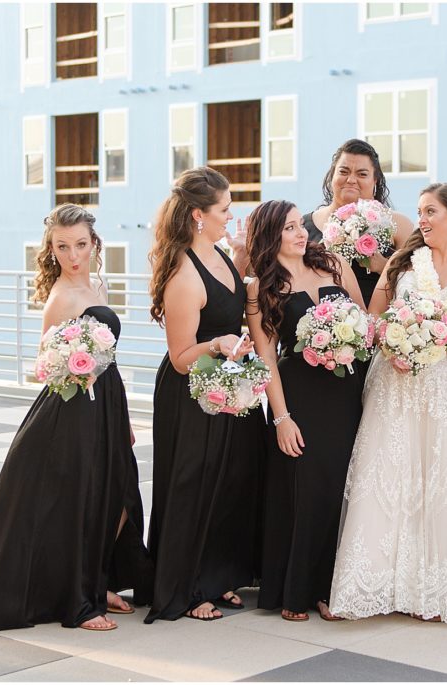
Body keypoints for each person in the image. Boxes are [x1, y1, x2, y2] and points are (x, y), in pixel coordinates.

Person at [0, 205, 148, 631]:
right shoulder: (60, 299)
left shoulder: (98, 285)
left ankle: (98, 581)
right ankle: (81, 601)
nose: (73, 255)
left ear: (94, 245)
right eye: (63, 247)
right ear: (51, 250)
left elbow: (108, 357)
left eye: (81, 245)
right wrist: (75, 365)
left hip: (107, 399)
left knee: (119, 495)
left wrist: (120, 417)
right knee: (81, 501)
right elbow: (46, 364)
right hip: (72, 408)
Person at [329, 183, 447, 625]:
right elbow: (374, 319)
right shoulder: (401, 260)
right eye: (419, 211)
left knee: (445, 479)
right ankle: (376, 583)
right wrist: (394, 345)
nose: (423, 219)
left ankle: (437, 587)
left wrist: (432, 345)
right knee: (388, 478)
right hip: (394, 383)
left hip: (445, 385)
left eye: (430, 211)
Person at [144, 167, 258, 623]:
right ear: (197, 215)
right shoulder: (183, 275)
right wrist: (216, 345)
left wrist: (245, 256)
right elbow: (179, 356)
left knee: (227, 483)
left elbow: (234, 304)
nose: (231, 217)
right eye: (225, 210)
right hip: (189, 395)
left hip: (225, 387)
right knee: (192, 487)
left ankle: (215, 577)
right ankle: (185, 588)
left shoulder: (220, 254)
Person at [245, 199, 367, 622]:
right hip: (300, 396)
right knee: (308, 490)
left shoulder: (331, 263)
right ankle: (298, 589)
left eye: (301, 225)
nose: (301, 234)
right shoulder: (263, 287)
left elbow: (365, 321)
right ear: (270, 236)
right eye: (289, 228)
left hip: (346, 392)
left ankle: (334, 588)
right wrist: (282, 418)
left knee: (341, 489)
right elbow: (265, 358)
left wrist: (346, 338)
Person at [300, 139, 415, 306]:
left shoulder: (399, 224)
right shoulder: (303, 227)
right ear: (333, 175)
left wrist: (385, 266)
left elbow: (420, 282)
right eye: (344, 171)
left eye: (362, 174)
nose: (351, 180)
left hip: (381, 323)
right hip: (319, 323)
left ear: (375, 180)